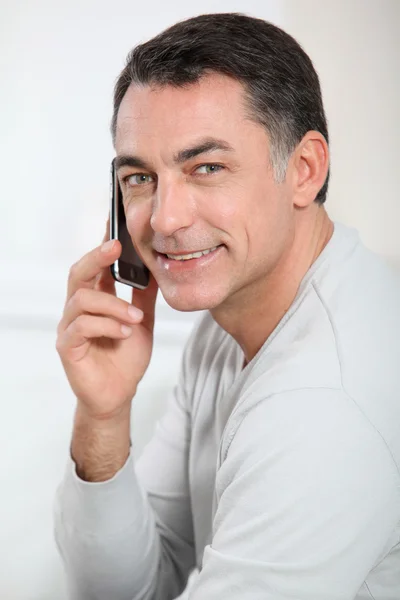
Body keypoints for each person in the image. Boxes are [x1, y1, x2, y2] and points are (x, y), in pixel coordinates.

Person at [54, 12, 400, 600]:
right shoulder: (227, 327)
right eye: (140, 177)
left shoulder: (324, 398)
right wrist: (104, 417)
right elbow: (137, 586)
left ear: (304, 170)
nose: (164, 219)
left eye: (206, 168)